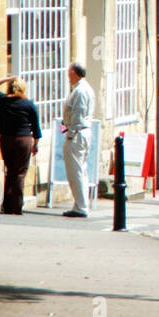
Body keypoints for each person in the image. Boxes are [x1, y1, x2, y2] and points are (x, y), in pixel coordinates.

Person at [0, 75, 41, 215]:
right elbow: (36, 128)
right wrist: (35, 144)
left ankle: (7, 206)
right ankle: (17, 207)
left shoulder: (3, 100)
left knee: (10, 171)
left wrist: (8, 78)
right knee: (20, 173)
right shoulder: (28, 104)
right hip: (23, 139)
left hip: (6, 139)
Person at [60, 61, 96, 217]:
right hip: (82, 132)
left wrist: (71, 132)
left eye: (69, 71)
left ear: (74, 72)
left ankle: (81, 207)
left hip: (78, 133)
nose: (68, 75)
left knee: (76, 172)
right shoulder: (83, 88)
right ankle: (80, 204)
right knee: (80, 171)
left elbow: (78, 114)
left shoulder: (81, 91)